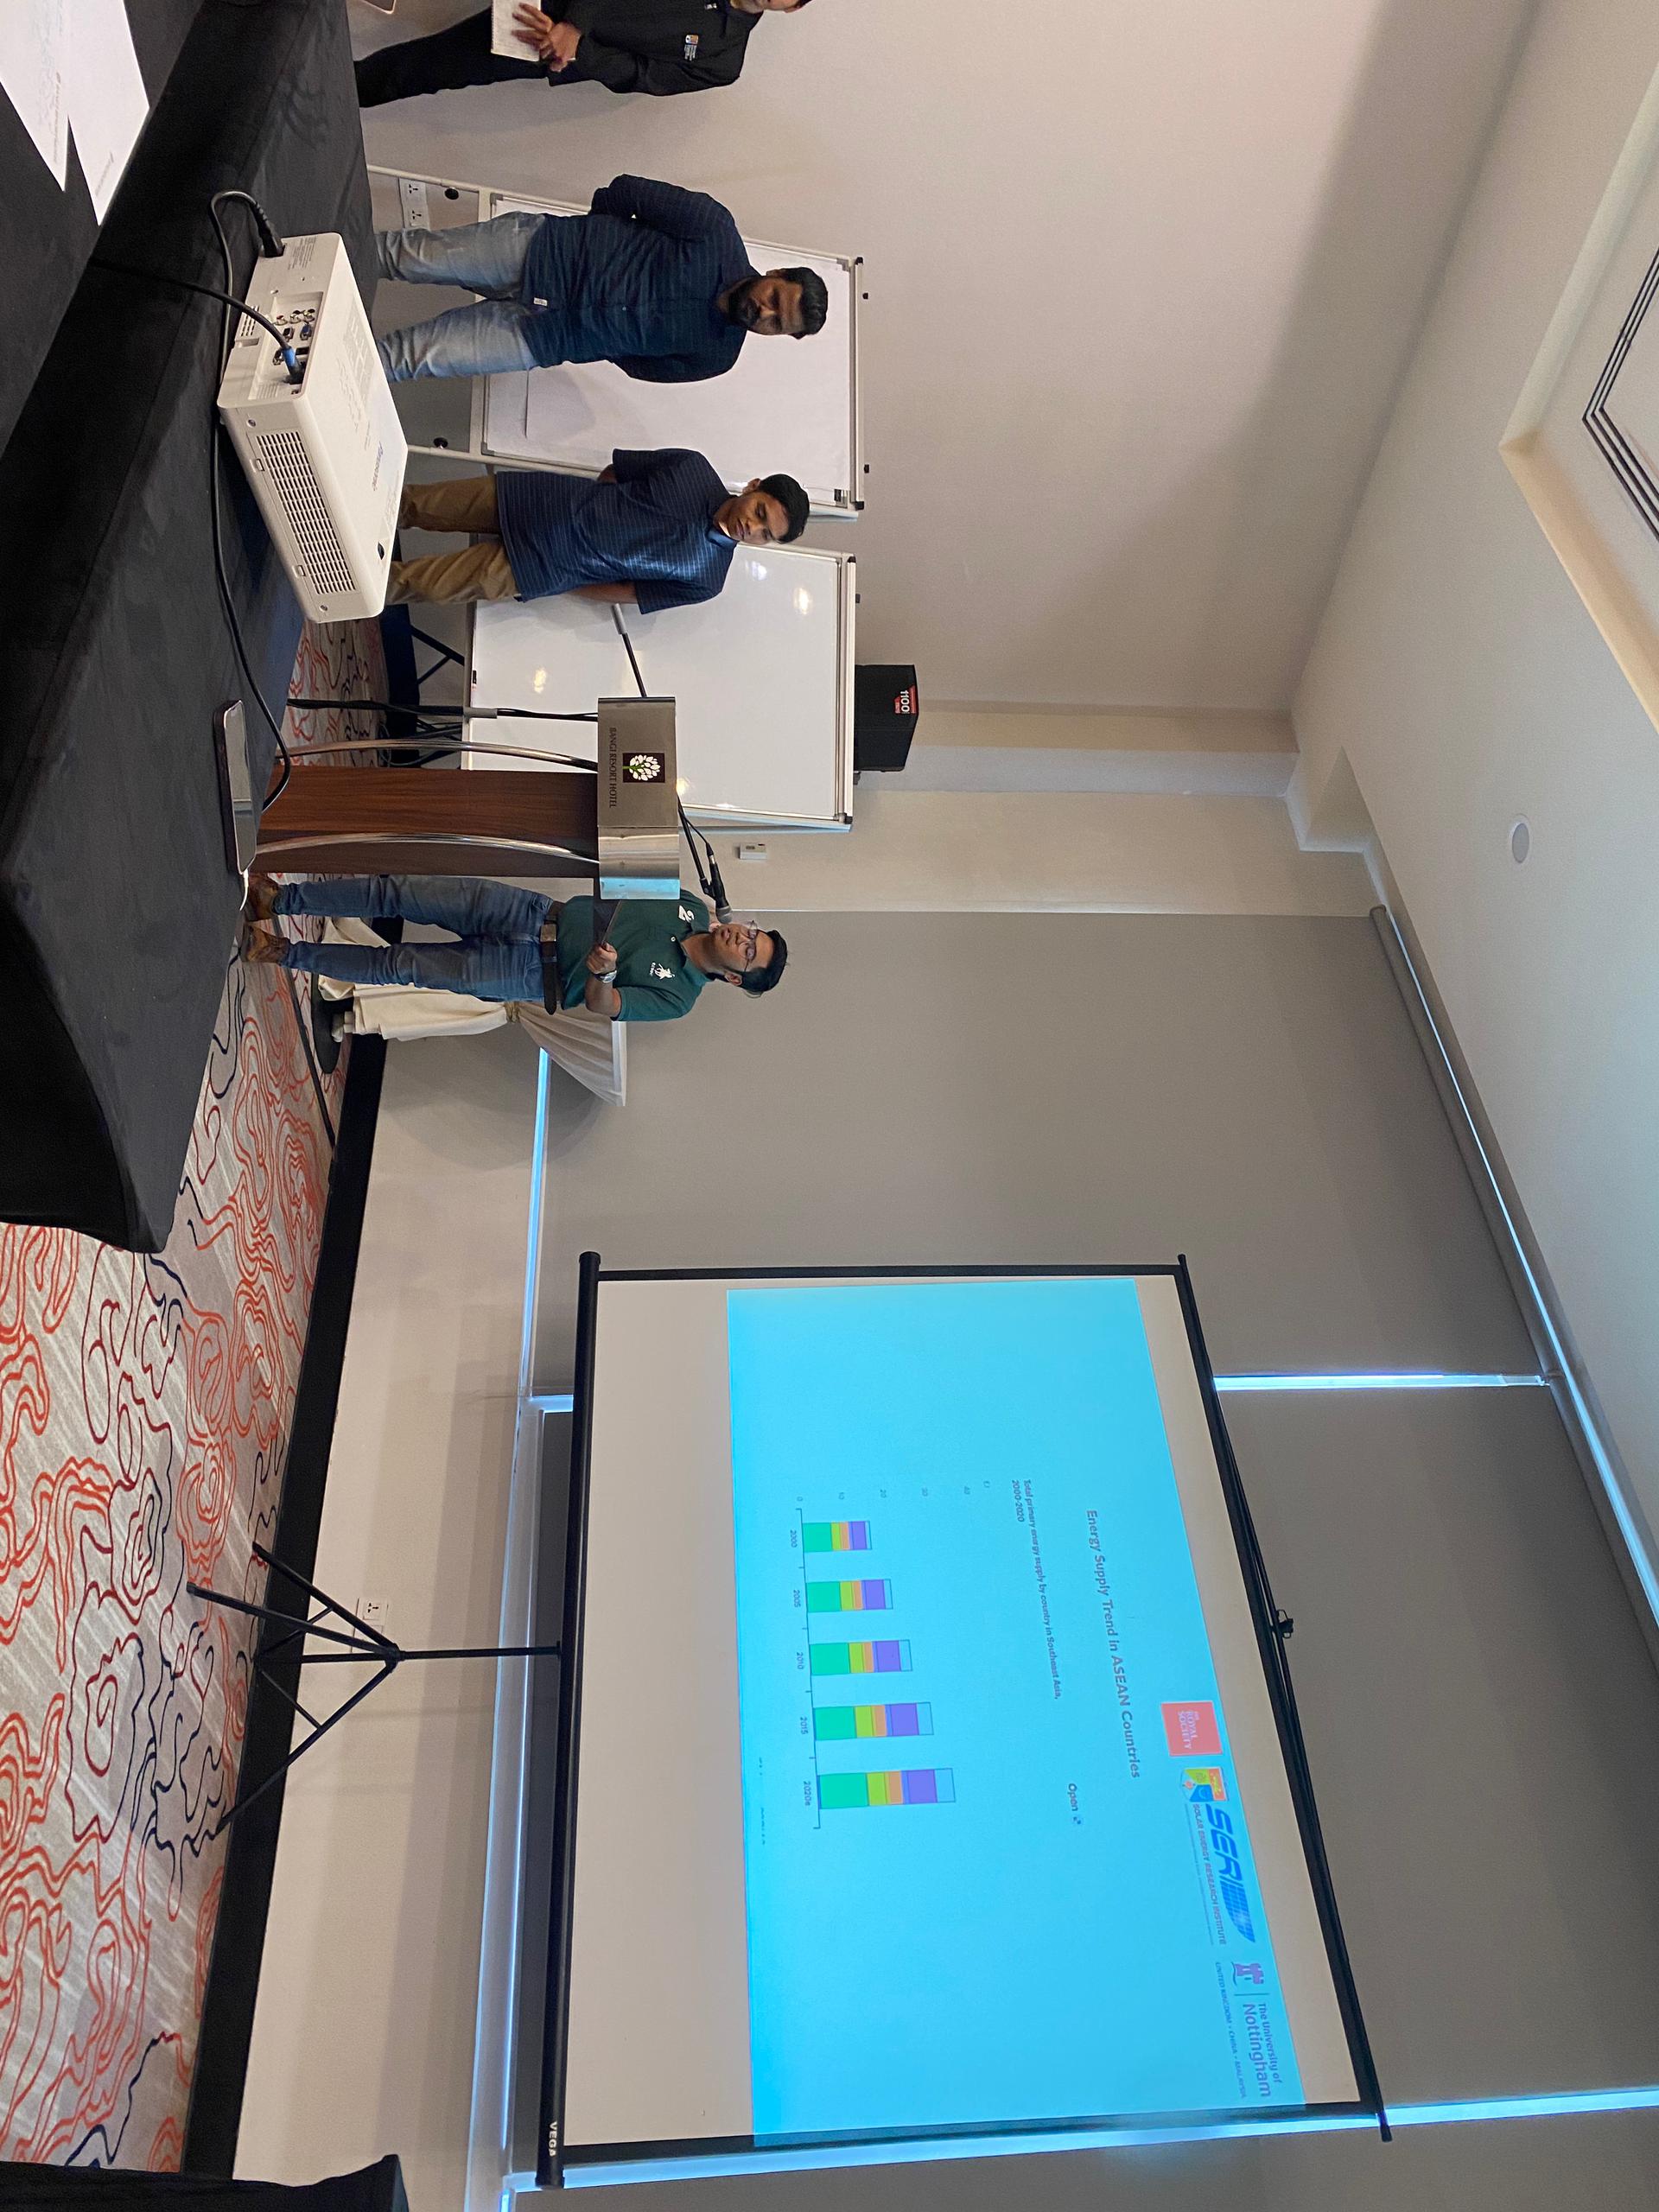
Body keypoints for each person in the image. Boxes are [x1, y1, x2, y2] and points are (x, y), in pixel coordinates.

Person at [375, 177, 830, 385]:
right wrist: (593, 242)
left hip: (544, 338)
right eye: (775, 298)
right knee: (405, 257)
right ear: (775, 273)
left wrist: (601, 335)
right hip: (541, 252)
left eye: (776, 323)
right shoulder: (715, 230)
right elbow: (627, 192)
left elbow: (638, 365)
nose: (764, 313)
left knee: (408, 360)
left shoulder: (716, 357)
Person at [244, 877, 787, 1024]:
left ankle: (283, 953)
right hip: (532, 912)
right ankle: (280, 899)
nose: (742, 938)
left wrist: (604, 974)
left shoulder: (680, 998)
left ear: (735, 979)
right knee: (401, 893)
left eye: (749, 952)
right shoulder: (688, 903)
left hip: (527, 973)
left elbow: (603, 1005)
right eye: (751, 932)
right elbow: (620, 872)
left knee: (399, 963)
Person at [385, 450, 810, 607]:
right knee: (412, 504)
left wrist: (567, 576)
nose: (751, 527)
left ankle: (344, 588)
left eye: (764, 533)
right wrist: (592, 510)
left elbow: (627, 592)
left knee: (418, 584)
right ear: (753, 486)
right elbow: (617, 472)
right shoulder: (693, 468)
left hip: (541, 567)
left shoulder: (707, 578)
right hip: (535, 498)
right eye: (759, 512)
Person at [357, 1, 812, 110]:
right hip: (567, 17)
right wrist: (577, 22)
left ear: (791, 8)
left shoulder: (723, 60)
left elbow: (639, 74)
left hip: (544, 39)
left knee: (421, 69)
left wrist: (574, 46)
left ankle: (330, 96)